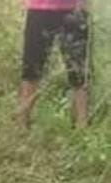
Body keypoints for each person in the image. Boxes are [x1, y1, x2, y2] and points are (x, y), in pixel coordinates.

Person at [18, 0, 91, 128]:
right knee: (31, 69)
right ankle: (22, 124)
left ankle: (83, 126)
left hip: (73, 9)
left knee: (79, 70)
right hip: (39, 9)